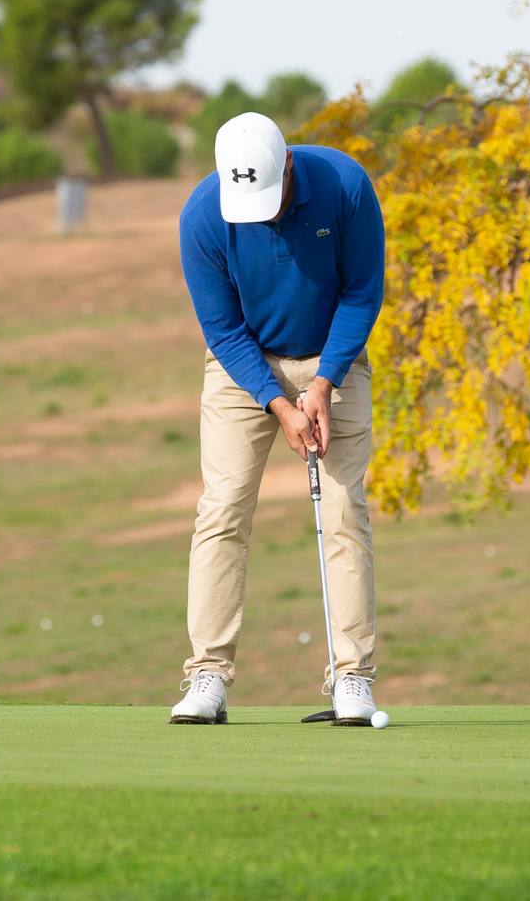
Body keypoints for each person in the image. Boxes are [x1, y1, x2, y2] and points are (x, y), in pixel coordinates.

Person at [170, 113, 385, 726]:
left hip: (333, 356)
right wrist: (279, 402)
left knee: (344, 510)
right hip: (244, 368)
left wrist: (323, 382)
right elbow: (223, 327)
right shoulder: (203, 216)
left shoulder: (345, 186)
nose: (261, 215)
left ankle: (354, 679)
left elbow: (362, 291)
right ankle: (206, 674)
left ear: (287, 164)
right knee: (223, 507)